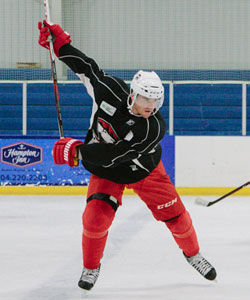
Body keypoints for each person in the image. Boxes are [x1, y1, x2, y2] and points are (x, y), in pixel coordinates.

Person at [38, 20, 217, 291]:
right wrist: (60, 45)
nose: (150, 106)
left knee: (177, 217)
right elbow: (86, 68)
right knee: (95, 219)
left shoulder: (153, 127)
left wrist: (77, 150)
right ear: (133, 94)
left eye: (155, 101)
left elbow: (113, 155)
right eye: (145, 99)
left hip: (144, 170)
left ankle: (193, 255)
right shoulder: (109, 90)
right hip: (107, 173)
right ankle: (91, 266)